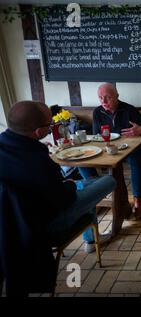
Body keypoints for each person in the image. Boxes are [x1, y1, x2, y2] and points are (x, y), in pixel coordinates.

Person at [0, 101, 116, 294]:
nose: (52, 126)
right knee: (108, 182)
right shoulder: (36, 161)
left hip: (10, 229)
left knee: (84, 187)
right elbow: (62, 200)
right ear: (38, 132)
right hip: (46, 226)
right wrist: (69, 186)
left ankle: (90, 239)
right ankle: (90, 238)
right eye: (49, 124)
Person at [78, 83, 141, 220]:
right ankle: (97, 191)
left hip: (129, 149)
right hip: (108, 150)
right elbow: (97, 136)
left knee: (136, 157)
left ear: (117, 96)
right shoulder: (97, 112)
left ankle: (137, 199)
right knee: (82, 161)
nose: (104, 102)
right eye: (100, 98)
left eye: (108, 97)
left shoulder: (128, 110)